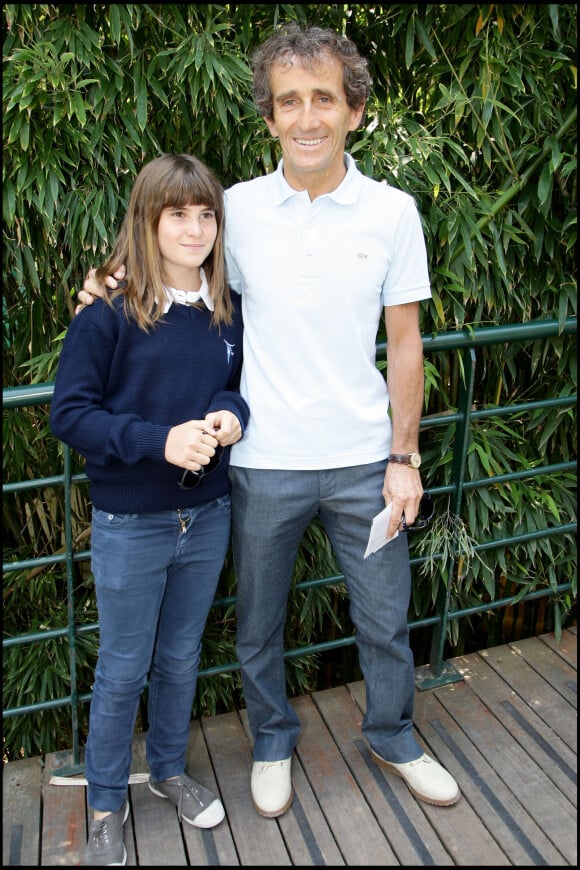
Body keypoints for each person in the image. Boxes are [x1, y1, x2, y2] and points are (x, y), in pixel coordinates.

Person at [78, 24, 460, 820]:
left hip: (364, 457)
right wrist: (104, 281)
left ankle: (394, 736)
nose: (308, 116)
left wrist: (405, 455)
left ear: (354, 109)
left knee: (386, 619)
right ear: (270, 117)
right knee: (258, 626)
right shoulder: (237, 211)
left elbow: (404, 340)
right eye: (290, 101)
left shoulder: (394, 213)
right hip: (258, 462)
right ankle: (274, 743)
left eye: (325, 97)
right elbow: (170, 262)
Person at [51, 153, 249, 865]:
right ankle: (105, 801)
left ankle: (167, 770)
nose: (195, 229)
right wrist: (157, 441)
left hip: (209, 513)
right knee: (124, 666)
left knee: (181, 657)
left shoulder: (225, 308)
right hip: (131, 520)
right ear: (149, 219)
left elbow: (235, 387)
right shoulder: (108, 313)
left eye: (206, 214)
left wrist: (228, 420)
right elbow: (70, 415)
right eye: (178, 214)